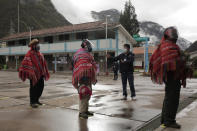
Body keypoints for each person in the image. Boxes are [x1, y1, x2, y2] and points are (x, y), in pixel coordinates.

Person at [149, 27, 193, 129]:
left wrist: (182, 61)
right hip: (171, 76)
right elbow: (170, 62)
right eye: (173, 33)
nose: (175, 35)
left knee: (169, 98)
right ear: (168, 35)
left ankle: (165, 120)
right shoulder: (168, 45)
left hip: (171, 76)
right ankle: (169, 121)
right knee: (172, 99)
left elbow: (175, 60)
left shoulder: (168, 45)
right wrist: (183, 61)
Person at [19, 39, 50, 108]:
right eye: (37, 44)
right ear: (33, 46)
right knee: (33, 88)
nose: (38, 46)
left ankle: (37, 100)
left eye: (38, 44)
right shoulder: (29, 53)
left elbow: (43, 63)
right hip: (33, 75)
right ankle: (32, 102)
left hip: (41, 74)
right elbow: (25, 63)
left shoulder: (40, 53)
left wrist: (44, 71)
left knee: (40, 87)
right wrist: (31, 71)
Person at [72, 39, 97, 119]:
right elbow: (75, 63)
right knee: (84, 92)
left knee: (88, 92)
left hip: (88, 74)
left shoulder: (87, 53)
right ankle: (82, 112)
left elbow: (92, 63)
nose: (90, 47)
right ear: (85, 45)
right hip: (82, 75)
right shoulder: (80, 53)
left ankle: (85, 110)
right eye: (89, 45)